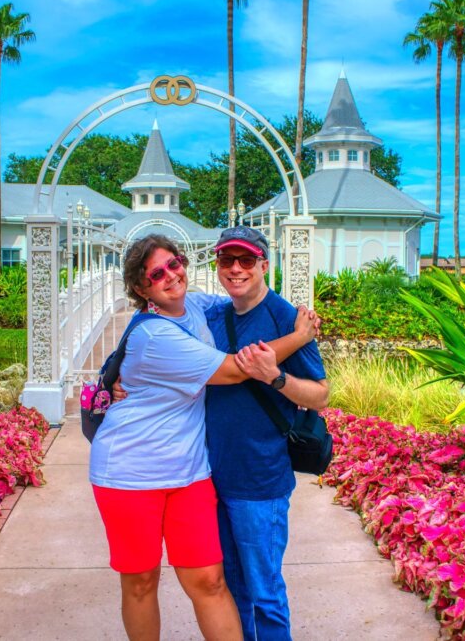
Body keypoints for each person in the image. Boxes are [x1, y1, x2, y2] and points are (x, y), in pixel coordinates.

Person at [89, 234, 318, 641]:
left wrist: (296, 317)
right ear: (142, 290)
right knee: (141, 581)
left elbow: (243, 300)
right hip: (130, 472)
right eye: (156, 274)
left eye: (174, 263)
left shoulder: (198, 306)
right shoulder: (155, 336)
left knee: (210, 581)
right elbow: (233, 369)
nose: (171, 275)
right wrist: (299, 337)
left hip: (190, 473)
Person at [203, 226, 329, 641]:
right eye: (226, 260)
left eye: (246, 261)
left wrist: (277, 380)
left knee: (264, 593)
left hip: (260, 480)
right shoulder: (212, 317)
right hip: (210, 478)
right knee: (229, 590)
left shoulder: (285, 316)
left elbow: (320, 395)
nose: (236, 269)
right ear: (217, 265)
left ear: (264, 265)